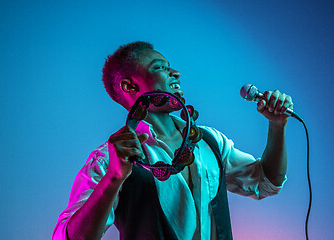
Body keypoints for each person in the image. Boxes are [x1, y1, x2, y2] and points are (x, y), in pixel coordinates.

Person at [52, 41, 293, 240]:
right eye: (160, 68)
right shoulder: (109, 159)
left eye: (170, 67)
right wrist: (113, 178)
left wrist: (277, 125)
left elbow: (266, 182)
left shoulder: (209, 141)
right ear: (129, 85)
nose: (175, 73)